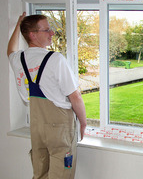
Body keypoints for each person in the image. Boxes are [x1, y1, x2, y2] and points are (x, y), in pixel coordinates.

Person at [7, 12, 87, 179]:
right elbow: (75, 96)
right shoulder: (55, 59)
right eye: (47, 30)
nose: (52, 33)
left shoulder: (18, 59)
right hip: (59, 128)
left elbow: (10, 49)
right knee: (62, 174)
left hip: (37, 127)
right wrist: (83, 122)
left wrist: (18, 25)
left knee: (40, 173)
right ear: (32, 35)